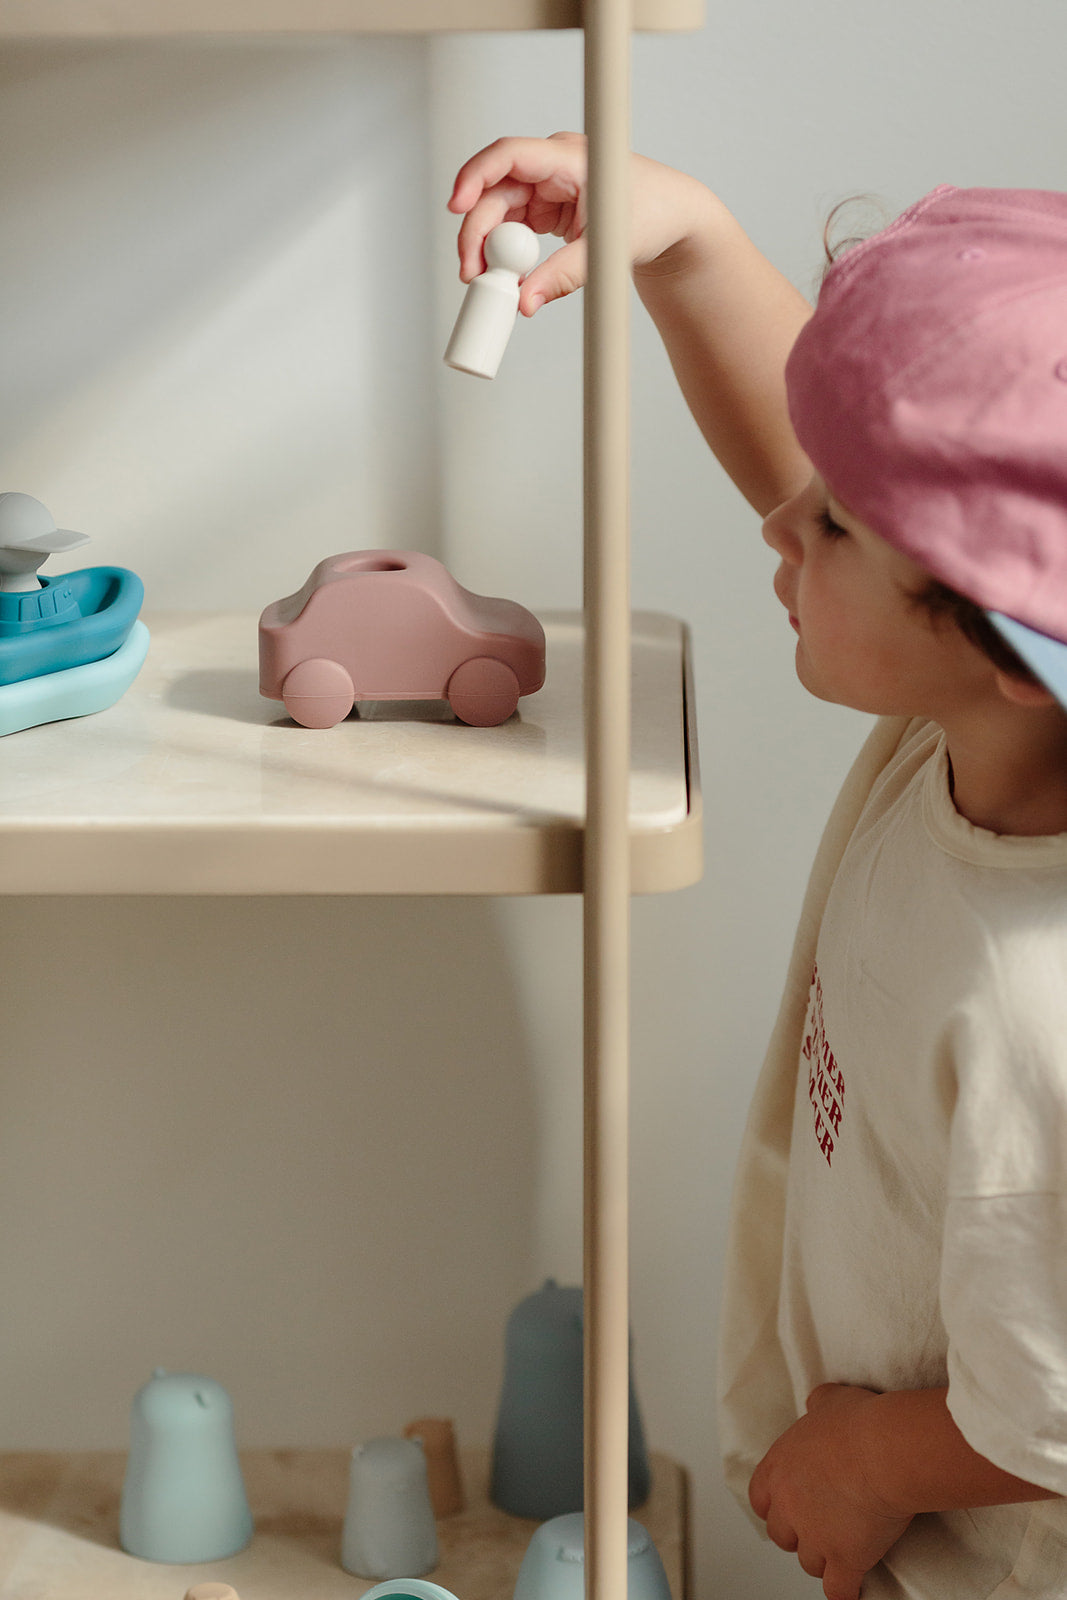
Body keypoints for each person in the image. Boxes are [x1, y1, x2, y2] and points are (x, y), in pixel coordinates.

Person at [449, 135, 1067, 1600]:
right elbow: (829, 471)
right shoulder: (974, 725)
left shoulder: (1037, 1008)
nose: (784, 525)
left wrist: (865, 1464)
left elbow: (1055, 1407)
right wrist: (689, 245)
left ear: (1013, 649)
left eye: (837, 528)